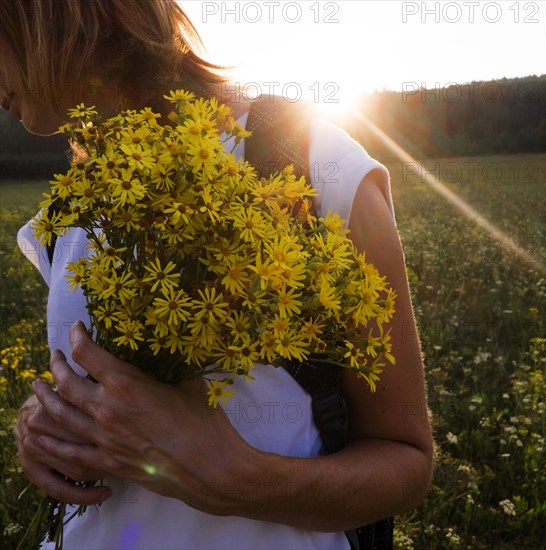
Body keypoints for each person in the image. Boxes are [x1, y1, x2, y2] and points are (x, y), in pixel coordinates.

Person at [2, 1, 433, 548]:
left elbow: (407, 461)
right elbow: (107, 389)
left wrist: (239, 481)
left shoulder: (306, 160)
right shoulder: (81, 205)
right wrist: (46, 425)